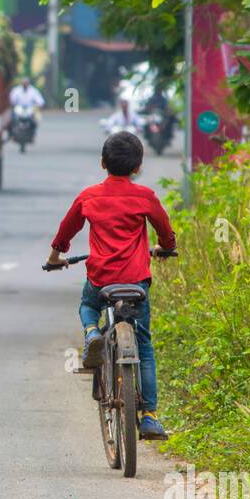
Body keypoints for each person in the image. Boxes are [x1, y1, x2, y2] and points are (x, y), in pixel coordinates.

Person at [46, 132, 177, 438]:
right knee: (144, 346)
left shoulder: (89, 196)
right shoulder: (145, 197)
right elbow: (166, 232)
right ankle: (149, 416)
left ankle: (92, 333)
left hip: (101, 279)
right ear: (138, 166)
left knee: (88, 305)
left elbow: (66, 232)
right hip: (136, 284)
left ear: (103, 163)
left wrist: (55, 258)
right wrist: (165, 248)